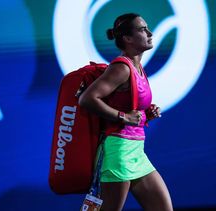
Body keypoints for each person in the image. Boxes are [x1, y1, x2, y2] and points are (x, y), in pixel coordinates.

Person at [79, 13, 173, 211]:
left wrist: (147, 113)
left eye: (147, 28)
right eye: (142, 29)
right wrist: (124, 117)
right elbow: (87, 98)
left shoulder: (138, 67)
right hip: (118, 153)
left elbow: (127, 106)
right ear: (128, 39)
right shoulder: (122, 68)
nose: (150, 33)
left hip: (137, 151)